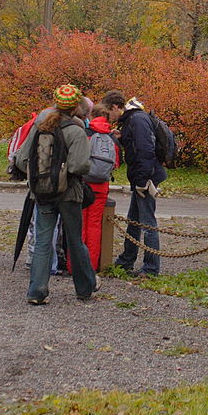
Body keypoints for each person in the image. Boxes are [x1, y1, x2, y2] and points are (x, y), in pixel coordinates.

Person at [15, 83, 100, 304]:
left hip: (41, 193)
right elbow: (79, 166)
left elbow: (22, 161)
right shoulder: (76, 131)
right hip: (69, 194)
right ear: (75, 107)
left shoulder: (38, 127)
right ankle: (85, 288)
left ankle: (37, 292)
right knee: (74, 240)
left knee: (43, 241)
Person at [101, 91, 167, 277]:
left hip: (145, 178)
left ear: (115, 107)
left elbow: (145, 150)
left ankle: (151, 268)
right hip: (141, 176)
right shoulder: (133, 119)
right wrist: (123, 136)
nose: (109, 116)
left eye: (109, 112)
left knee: (147, 223)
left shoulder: (137, 120)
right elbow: (138, 144)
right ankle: (126, 261)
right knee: (134, 221)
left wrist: (143, 181)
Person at [71, 104, 120, 272]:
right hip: (102, 187)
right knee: (95, 226)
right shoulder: (112, 138)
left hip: (83, 185)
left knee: (79, 225)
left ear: (91, 116)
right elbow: (116, 164)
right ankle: (91, 266)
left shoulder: (86, 134)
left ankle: (75, 266)